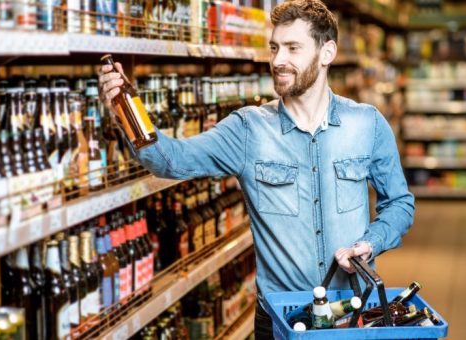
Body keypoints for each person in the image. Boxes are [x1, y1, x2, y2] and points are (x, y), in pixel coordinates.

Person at [99, 0, 414, 337]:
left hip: (352, 317)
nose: (278, 60)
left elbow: (399, 203)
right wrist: (126, 113)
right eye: (275, 48)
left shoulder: (366, 124)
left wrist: (371, 242)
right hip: (281, 319)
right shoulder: (248, 130)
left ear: (327, 53)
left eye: (293, 48)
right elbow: (170, 160)